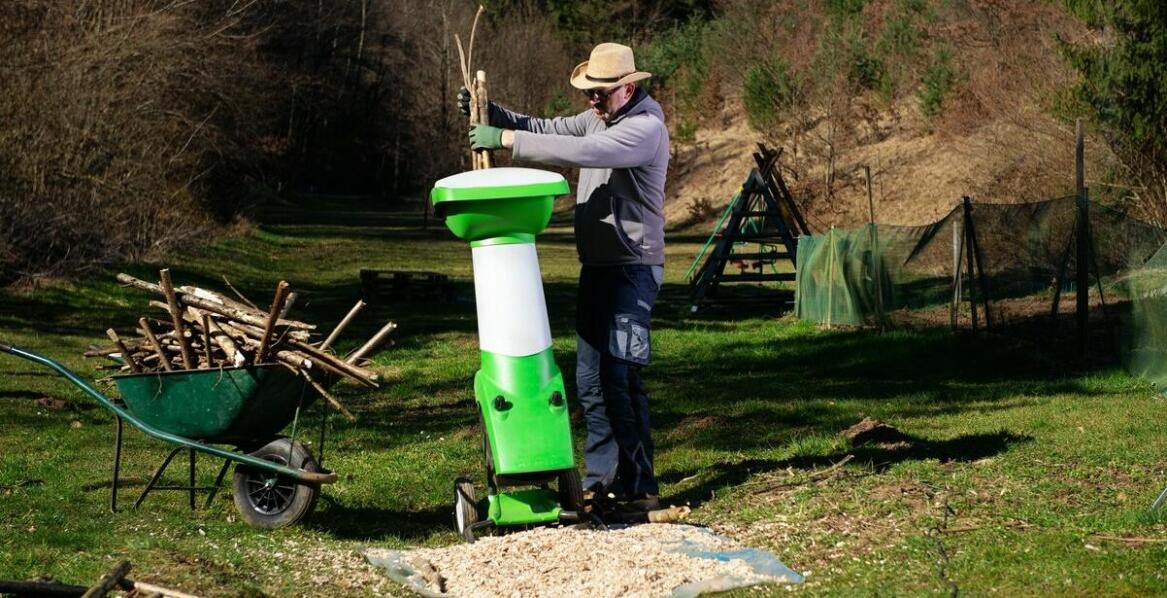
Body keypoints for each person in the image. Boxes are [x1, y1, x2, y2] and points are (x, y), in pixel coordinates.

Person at [458, 42, 668, 512]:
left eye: (602, 93)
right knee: (591, 383)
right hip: (598, 270)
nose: (592, 101)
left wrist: (506, 142)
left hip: (632, 271)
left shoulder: (644, 128)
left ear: (628, 88)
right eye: (590, 92)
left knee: (620, 381)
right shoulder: (601, 116)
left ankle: (642, 489)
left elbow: (585, 151)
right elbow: (546, 127)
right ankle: (602, 482)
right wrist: (495, 114)